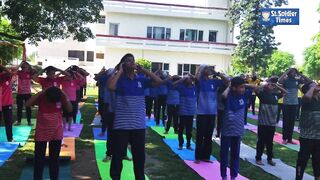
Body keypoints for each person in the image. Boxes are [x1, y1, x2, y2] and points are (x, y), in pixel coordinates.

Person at [108, 53, 162, 180]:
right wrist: (120, 71)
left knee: (139, 156)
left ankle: (140, 177)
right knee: (118, 154)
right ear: (123, 64)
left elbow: (159, 81)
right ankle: (115, 177)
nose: (132, 63)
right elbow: (110, 87)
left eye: (133, 60)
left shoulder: (141, 79)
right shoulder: (119, 79)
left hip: (138, 124)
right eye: (128, 61)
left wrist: (144, 70)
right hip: (122, 124)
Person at [26, 87, 72, 180]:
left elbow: (70, 109)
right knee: (39, 159)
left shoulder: (60, 96)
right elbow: (27, 104)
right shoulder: (42, 96)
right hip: (41, 132)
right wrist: (40, 93)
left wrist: (65, 95)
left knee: (54, 159)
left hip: (56, 132)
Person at [220, 77, 254, 180]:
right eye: (241, 87)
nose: (243, 89)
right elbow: (223, 95)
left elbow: (256, 87)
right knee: (224, 154)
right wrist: (230, 86)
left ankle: (233, 176)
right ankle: (224, 176)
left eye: (244, 87)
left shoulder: (244, 95)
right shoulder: (228, 96)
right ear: (234, 88)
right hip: (227, 131)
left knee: (235, 154)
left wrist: (243, 84)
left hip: (238, 131)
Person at [194, 65, 229, 164]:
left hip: (212, 112)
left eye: (209, 69)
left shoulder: (214, 81)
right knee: (200, 135)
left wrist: (217, 73)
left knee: (209, 135)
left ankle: (206, 156)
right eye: (207, 68)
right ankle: (197, 156)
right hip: (201, 112)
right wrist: (201, 69)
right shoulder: (199, 81)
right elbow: (196, 78)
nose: (209, 70)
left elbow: (227, 82)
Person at [255, 77, 287, 166]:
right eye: (269, 85)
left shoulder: (276, 95)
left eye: (271, 85)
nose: (271, 85)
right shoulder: (262, 94)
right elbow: (256, 88)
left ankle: (270, 159)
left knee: (270, 142)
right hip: (263, 122)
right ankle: (258, 158)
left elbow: (285, 92)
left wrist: (276, 85)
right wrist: (265, 84)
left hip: (272, 123)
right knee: (261, 141)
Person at [278, 68, 311, 144]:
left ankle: (289, 139)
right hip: (286, 103)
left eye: (294, 72)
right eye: (292, 72)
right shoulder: (286, 80)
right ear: (289, 73)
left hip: (294, 103)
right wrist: (286, 72)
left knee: (292, 122)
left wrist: (299, 74)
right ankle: (284, 138)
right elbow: (279, 81)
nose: (294, 73)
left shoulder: (297, 81)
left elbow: (309, 81)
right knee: (286, 121)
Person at [296, 82, 320, 180]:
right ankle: (298, 178)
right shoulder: (305, 100)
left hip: (318, 137)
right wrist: (312, 88)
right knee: (302, 161)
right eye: (313, 86)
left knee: (318, 161)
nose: (316, 86)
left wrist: (314, 87)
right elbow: (306, 96)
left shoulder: (318, 99)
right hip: (307, 137)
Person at [173, 74, 197, 151]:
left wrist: (194, 77)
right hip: (183, 112)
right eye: (188, 78)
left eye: (190, 78)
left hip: (191, 113)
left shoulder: (195, 88)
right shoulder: (181, 87)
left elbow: (199, 82)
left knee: (189, 130)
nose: (189, 79)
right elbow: (173, 85)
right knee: (181, 129)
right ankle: (180, 144)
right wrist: (181, 79)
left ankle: (188, 144)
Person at [15, 61, 34, 126]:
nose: (24, 68)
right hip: (20, 93)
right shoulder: (19, 72)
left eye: (25, 67)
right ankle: (19, 121)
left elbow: (35, 71)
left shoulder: (30, 73)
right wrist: (20, 64)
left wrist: (28, 64)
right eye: (23, 67)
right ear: (21, 67)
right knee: (19, 108)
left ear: (28, 67)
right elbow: (15, 70)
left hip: (27, 93)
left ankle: (29, 121)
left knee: (28, 108)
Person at [0, 65, 14, 142]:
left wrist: (2, 66)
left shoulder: (7, 76)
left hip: (7, 103)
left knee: (8, 121)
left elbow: (11, 73)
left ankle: (10, 138)